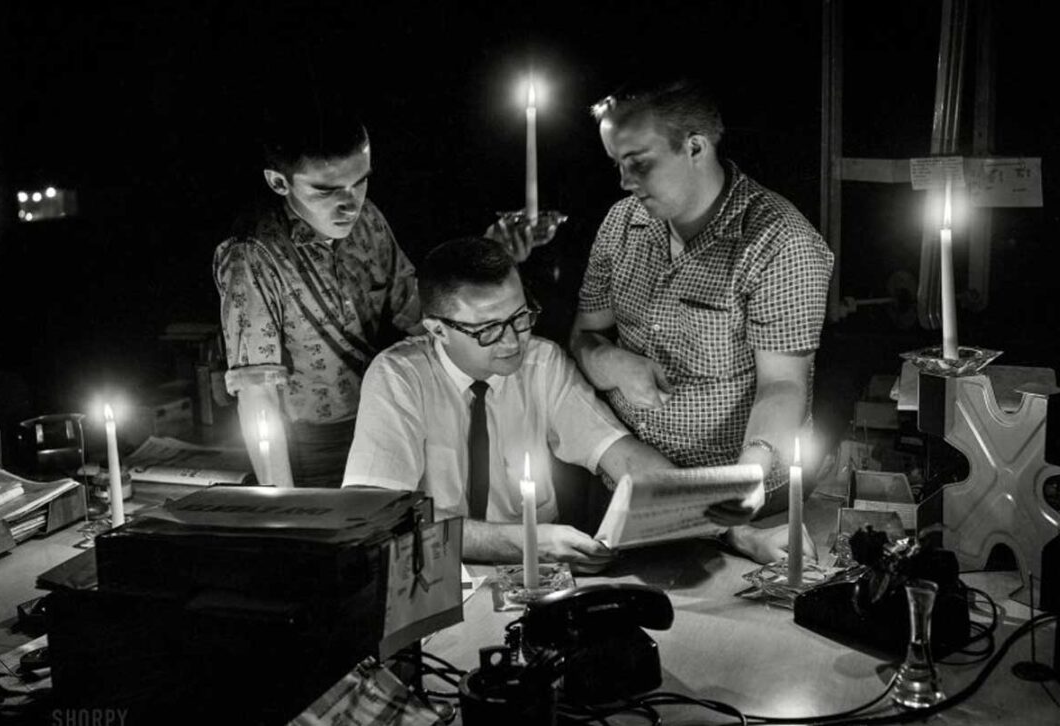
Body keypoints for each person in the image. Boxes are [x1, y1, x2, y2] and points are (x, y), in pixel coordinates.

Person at [342, 237, 811, 569]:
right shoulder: (398, 378)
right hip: (434, 585)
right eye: (488, 329)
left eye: (521, 316)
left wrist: (733, 529)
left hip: (537, 584)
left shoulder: (540, 362)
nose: (512, 341)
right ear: (437, 329)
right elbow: (379, 520)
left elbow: (624, 456)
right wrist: (523, 543)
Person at [214, 103, 548, 488]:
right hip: (312, 448)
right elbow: (258, 393)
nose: (350, 203)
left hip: (390, 421)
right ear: (278, 182)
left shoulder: (367, 220)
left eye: (360, 182)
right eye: (326, 190)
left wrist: (483, 262)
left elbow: (423, 315)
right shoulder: (251, 254)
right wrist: (285, 504)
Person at [570, 77, 834, 515]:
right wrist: (610, 362)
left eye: (638, 162)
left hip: (736, 490)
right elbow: (584, 333)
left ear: (695, 147)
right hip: (629, 475)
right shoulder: (620, 223)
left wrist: (747, 474)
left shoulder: (779, 241)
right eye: (616, 163)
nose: (624, 181)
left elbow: (784, 384)